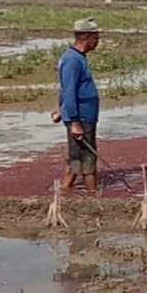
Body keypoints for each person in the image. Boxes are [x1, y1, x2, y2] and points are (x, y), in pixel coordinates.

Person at [58, 18, 102, 195]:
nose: (97, 42)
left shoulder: (79, 58)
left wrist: (60, 109)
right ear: (86, 37)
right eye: (96, 38)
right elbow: (68, 90)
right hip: (81, 118)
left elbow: (66, 89)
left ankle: (65, 192)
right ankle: (93, 195)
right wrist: (74, 121)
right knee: (87, 158)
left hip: (85, 117)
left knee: (77, 157)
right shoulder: (72, 60)